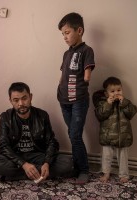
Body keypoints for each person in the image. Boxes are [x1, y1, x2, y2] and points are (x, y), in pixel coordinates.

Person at [0, 82, 75, 182]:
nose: (21, 103)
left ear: (30, 97)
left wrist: (47, 163)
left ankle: (15, 176)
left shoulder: (42, 115)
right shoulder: (6, 117)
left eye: (24, 98)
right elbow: (2, 145)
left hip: (38, 155)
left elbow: (52, 142)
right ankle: (38, 173)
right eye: (16, 100)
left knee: (67, 163)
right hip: (16, 156)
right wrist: (24, 165)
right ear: (11, 101)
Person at [57, 12, 95, 184]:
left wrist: (86, 78)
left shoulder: (87, 50)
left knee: (75, 135)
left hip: (79, 100)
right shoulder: (66, 54)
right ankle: (77, 167)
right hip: (64, 101)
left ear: (79, 30)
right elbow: (62, 75)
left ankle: (84, 170)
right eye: (62, 34)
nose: (64, 37)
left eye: (67, 32)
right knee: (73, 134)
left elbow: (87, 75)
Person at [92, 76, 137, 183]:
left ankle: (124, 174)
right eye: (112, 91)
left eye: (119, 90)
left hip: (123, 136)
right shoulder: (103, 103)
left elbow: (132, 113)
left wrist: (124, 103)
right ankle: (106, 173)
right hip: (107, 136)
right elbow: (100, 115)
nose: (116, 93)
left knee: (123, 157)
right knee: (106, 156)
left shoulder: (126, 102)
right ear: (106, 93)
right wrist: (108, 103)